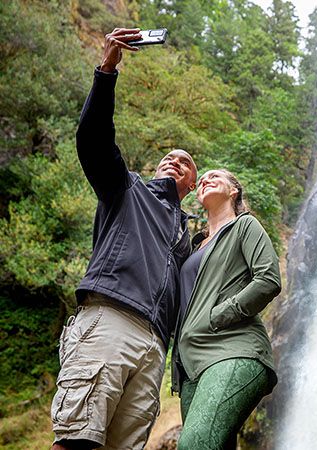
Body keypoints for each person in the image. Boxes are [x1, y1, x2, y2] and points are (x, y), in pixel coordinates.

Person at [51, 28, 198, 450]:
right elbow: (93, 141)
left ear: (193, 183)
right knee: (77, 440)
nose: (174, 160)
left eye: (185, 162)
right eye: (168, 157)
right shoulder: (127, 189)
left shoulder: (186, 239)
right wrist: (107, 69)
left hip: (155, 348)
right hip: (110, 320)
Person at [172, 169, 282, 450]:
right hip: (191, 369)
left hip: (233, 350)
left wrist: (218, 316)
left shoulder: (244, 226)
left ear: (234, 191)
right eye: (203, 178)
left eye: (216, 176)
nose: (207, 179)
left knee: (194, 445)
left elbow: (268, 280)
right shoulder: (194, 246)